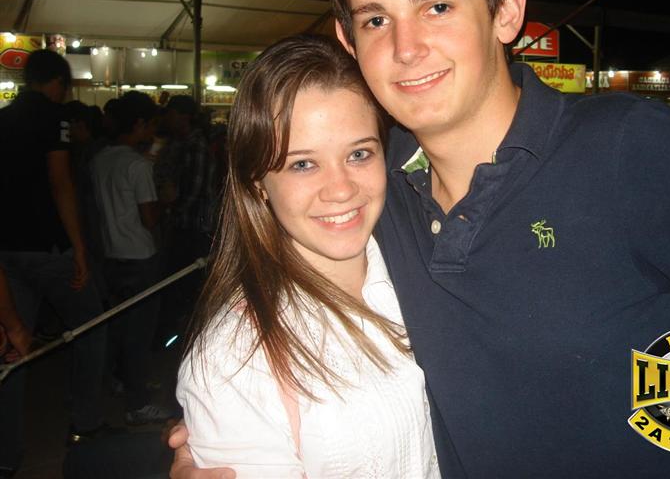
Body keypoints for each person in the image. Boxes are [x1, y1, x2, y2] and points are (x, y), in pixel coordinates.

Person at [171, 0, 670, 477]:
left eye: (438, 6)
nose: (406, 47)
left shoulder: (630, 150)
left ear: (505, 10)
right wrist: (220, 429)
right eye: (376, 20)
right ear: (348, 41)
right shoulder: (372, 185)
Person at [176, 34, 438, 478]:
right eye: (303, 164)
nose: (341, 189)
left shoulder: (431, 268)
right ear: (258, 181)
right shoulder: (234, 358)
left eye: (359, 154)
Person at [0, 50, 107, 470]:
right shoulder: (54, 117)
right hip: (49, 248)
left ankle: (7, 453)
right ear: (58, 83)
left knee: (14, 344)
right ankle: (85, 422)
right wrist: (78, 247)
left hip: (7, 251)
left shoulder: (4, 117)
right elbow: (60, 182)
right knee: (92, 328)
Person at [91, 90, 172, 426]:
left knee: (119, 326)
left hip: (111, 253)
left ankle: (120, 380)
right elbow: (149, 218)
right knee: (139, 332)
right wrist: (166, 200)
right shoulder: (137, 166)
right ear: (138, 124)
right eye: (149, 125)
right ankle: (137, 402)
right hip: (140, 255)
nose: (152, 132)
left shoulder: (99, 160)